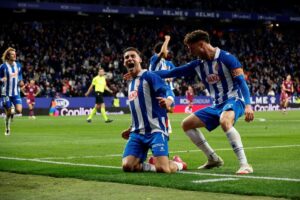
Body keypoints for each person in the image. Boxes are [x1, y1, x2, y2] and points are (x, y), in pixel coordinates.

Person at [155, 30, 254, 174]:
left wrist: (248, 105)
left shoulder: (227, 58)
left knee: (225, 120)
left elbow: (242, 82)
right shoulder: (198, 64)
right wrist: (144, 74)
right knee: (186, 124)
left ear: (201, 44)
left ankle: (245, 164)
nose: (189, 51)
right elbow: (172, 72)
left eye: (191, 47)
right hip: (216, 104)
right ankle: (213, 158)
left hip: (234, 99)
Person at [121, 47, 186, 173]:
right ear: (124, 63)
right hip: (138, 132)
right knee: (127, 166)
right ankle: (152, 165)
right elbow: (139, 109)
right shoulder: (131, 84)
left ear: (139, 59)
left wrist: (169, 101)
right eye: (126, 57)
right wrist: (131, 128)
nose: (129, 59)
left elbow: (167, 90)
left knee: (163, 169)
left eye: (132, 56)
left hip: (156, 130)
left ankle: (179, 164)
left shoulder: (149, 76)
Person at [149, 35, 176, 133]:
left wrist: (170, 77)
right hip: (156, 88)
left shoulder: (165, 62)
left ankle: (165, 128)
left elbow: (173, 73)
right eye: (167, 49)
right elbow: (163, 52)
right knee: (166, 103)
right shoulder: (155, 58)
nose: (168, 51)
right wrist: (167, 39)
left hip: (161, 88)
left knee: (165, 109)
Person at [0, 47, 24, 135]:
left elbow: (20, 75)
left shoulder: (18, 65)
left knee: (19, 110)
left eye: (15, 54)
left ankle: (13, 109)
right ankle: (7, 127)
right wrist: (2, 79)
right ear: (8, 56)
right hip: (5, 93)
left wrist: (21, 81)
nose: (15, 56)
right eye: (12, 54)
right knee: (9, 112)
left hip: (15, 92)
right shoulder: (3, 67)